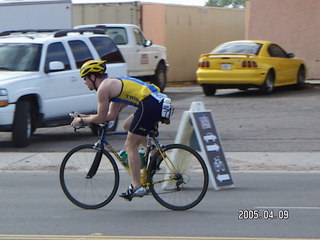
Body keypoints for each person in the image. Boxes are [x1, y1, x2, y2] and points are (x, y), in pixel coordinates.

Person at [71, 60, 170, 200]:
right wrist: (84, 116)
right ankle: (155, 152)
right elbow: (110, 116)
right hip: (155, 101)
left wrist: (82, 121)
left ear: (93, 77)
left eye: (85, 78)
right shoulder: (112, 84)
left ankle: (137, 186)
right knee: (127, 126)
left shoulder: (103, 89)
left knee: (130, 144)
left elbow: (100, 118)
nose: (84, 82)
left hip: (149, 104)